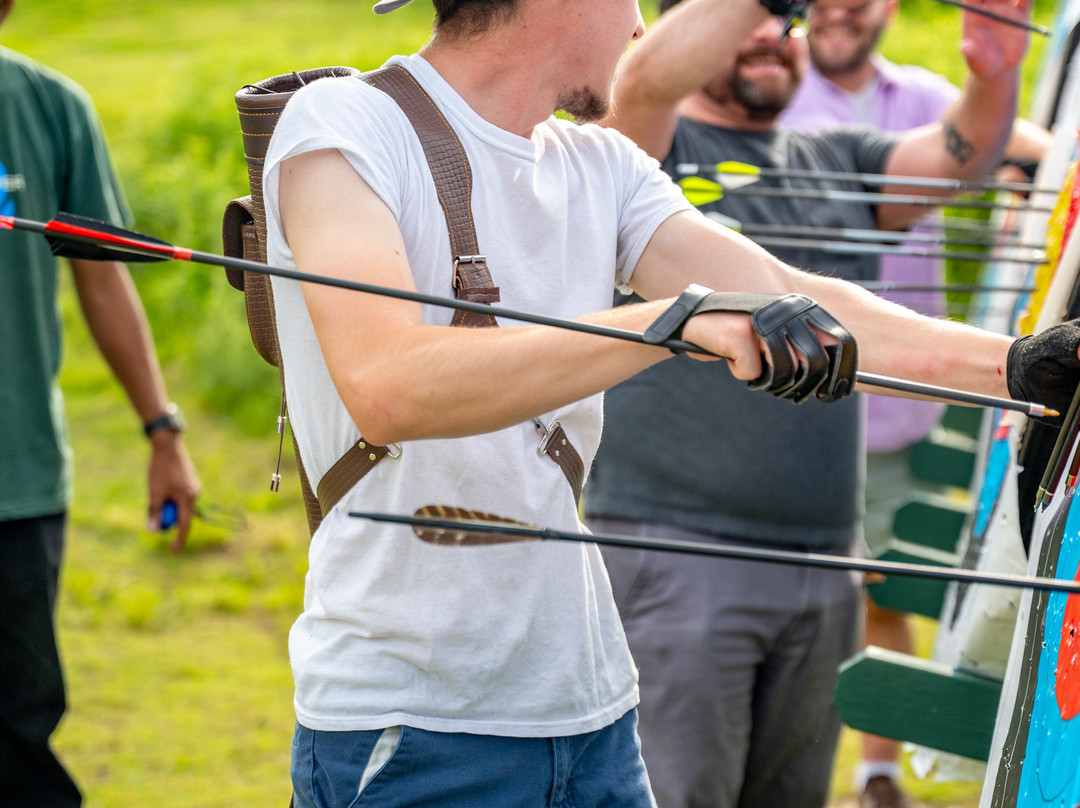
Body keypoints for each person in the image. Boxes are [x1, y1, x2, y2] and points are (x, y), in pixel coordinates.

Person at [261, 0, 1055, 805]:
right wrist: (668, 319)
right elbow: (391, 386)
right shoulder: (341, 125)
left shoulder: (599, 163)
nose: (641, 28)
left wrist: (1021, 368)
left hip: (592, 711)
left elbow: (790, 297)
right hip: (412, 727)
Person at [582, 0, 1045, 806]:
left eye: (783, 24)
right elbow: (643, 81)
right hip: (681, 556)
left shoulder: (837, 156)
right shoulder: (643, 156)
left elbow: (955, 156)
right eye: (748, 19)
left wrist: (995, 74)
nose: (771, 36)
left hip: (827, 562)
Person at [0, 0, 201, 804]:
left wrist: (163, 429)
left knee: (18, 730)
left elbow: (102, 274)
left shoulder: (49, 107)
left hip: (16, 483)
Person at [781, 2, 963, 805]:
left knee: (884, 588)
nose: (839, 10)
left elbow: (1016, 145)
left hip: (893, 409)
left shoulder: (923, 98)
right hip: (790, 414)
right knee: (802, 607)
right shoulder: (773, 91)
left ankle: (879, 774)